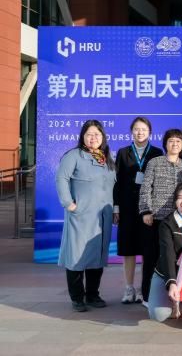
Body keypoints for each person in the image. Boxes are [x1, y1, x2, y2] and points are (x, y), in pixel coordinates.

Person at [55, 120, 116, 312]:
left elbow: (114, 186)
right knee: (76, 257)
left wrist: (115, 209)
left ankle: (92, 295)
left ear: (103, 137)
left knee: (97, 257)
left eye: (97, 134)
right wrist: (69, 204)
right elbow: (61, 178)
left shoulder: (107, 158)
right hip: (81, 216)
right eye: (89, 134)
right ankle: (77, 298)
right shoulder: (73, 156)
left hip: (102, 217)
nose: (93, 138)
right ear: (82, 136)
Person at [113, 117, 163, 304]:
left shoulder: (157, 153)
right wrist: (116, 207)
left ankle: (144, 288)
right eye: (136, 129)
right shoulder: (123, 152)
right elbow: (117, 182)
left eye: (143, 129)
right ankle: (129, 287)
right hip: (127, 208)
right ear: (131, 131)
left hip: (148, 210)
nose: (140, 132)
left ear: (150, 132)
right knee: (128, 249)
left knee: (147, 250)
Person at [138, 129, 182, 306]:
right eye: (171, 141)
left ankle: (174, 296)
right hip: (155, 219)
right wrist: (146, 211)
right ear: (165, 143)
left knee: (174, 259)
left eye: (178, 141)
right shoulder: (155, 162)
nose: (174, 144)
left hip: (176, 221)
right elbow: (145, 188)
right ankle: (147, 297)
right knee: (151, 258)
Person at [148, 182, 182, 329]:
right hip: (169, 269)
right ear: (175, 201)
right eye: (180, 198)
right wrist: (172, 282)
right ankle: (174, 301)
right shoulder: (167, 223)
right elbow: (168, 254)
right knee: (158, 314)